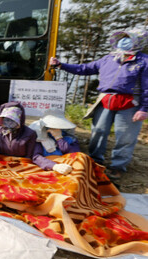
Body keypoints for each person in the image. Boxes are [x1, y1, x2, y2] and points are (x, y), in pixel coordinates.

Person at [50, 28, 148, 184]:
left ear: (139, 41)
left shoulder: (143, 61)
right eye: (123, 37)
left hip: (131, 102)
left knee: (125, 136)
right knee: (98, 131)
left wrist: (144, 108)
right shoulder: (109, 58)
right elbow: (85, 69)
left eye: (129, 38)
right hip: (106, 99)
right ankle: (96, 161)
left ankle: (118, 167)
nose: (124, 40)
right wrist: (61, 65)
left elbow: (147, 86)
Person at [29, 109, 81, 174]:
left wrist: (59, 138)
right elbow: (36, 157)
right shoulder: (39, 137)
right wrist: (54, 166)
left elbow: (76, 155)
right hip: (47, 166)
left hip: (68, 166)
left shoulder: (70, 138)